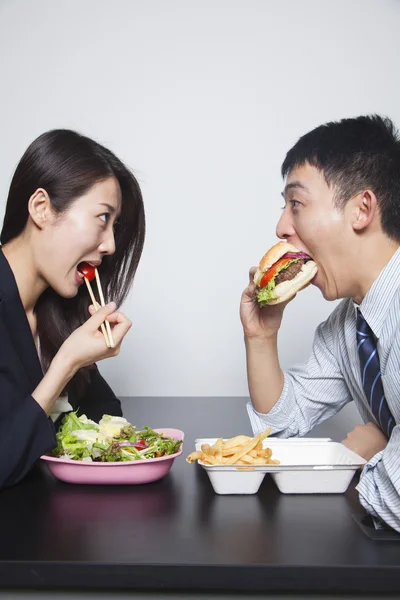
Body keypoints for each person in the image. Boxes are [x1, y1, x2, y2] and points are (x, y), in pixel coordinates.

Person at [241, 114, 400, 532]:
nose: (281, 227)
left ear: (361, 209)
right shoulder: (349, 325)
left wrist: (369, 458)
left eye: (297, 204)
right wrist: (261, 336)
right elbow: (280, 431)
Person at [0, 129, 145, 489]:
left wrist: (79, 359)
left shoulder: (56, 311)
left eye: (116, 226)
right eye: (102, 218)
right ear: (41, 208)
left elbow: (104, 416)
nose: (110, 244)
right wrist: (65, 364)